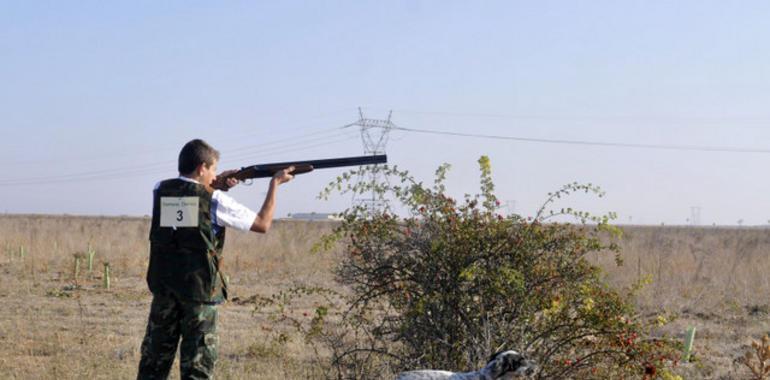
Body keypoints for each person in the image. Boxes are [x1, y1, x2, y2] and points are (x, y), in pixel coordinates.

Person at [137, 139, 294, 379]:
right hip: (199, 294)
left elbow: (189, 213)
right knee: (197, 370)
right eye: (213, 169)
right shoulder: (215, 200)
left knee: (153, 365)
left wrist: (217, 185)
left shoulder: (161, 189)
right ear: (202, 168)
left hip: (165, 288)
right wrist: (275, 183)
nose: (215, 174)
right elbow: (262, 224)